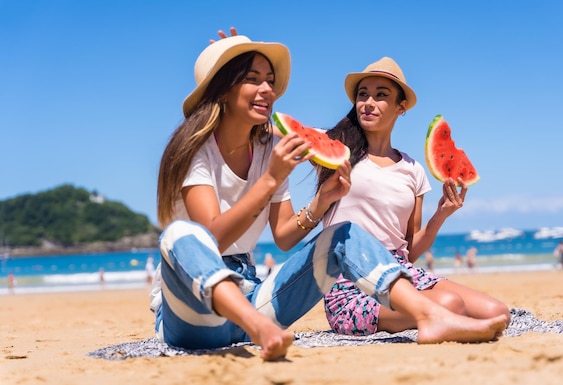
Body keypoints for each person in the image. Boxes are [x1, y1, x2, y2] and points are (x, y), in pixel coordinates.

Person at [150, 32, 508, 361]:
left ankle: (429, 317)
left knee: (343, 232)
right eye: (251, 78)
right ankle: (257, 327)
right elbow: (210, 241)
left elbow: (285, 237)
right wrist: (270, 180)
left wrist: (323, 200)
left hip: (253, 294)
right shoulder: (197, 153)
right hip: (192, 314)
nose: (266, 90)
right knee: (179, 235)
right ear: (221, 89)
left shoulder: (268, 150)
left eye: (269, 81)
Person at [318, 57, 511, 336]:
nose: (369, 102)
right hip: (351, 282)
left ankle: (435, 317)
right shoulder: (336, 151)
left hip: (403, 276)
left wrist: (441, 216)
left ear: (401, 107)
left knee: (498, 312)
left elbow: (409, 250)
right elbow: (271, 133)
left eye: (381, 95)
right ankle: (435, 319)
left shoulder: (413, 170)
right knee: (450, 304)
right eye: (363, 95)